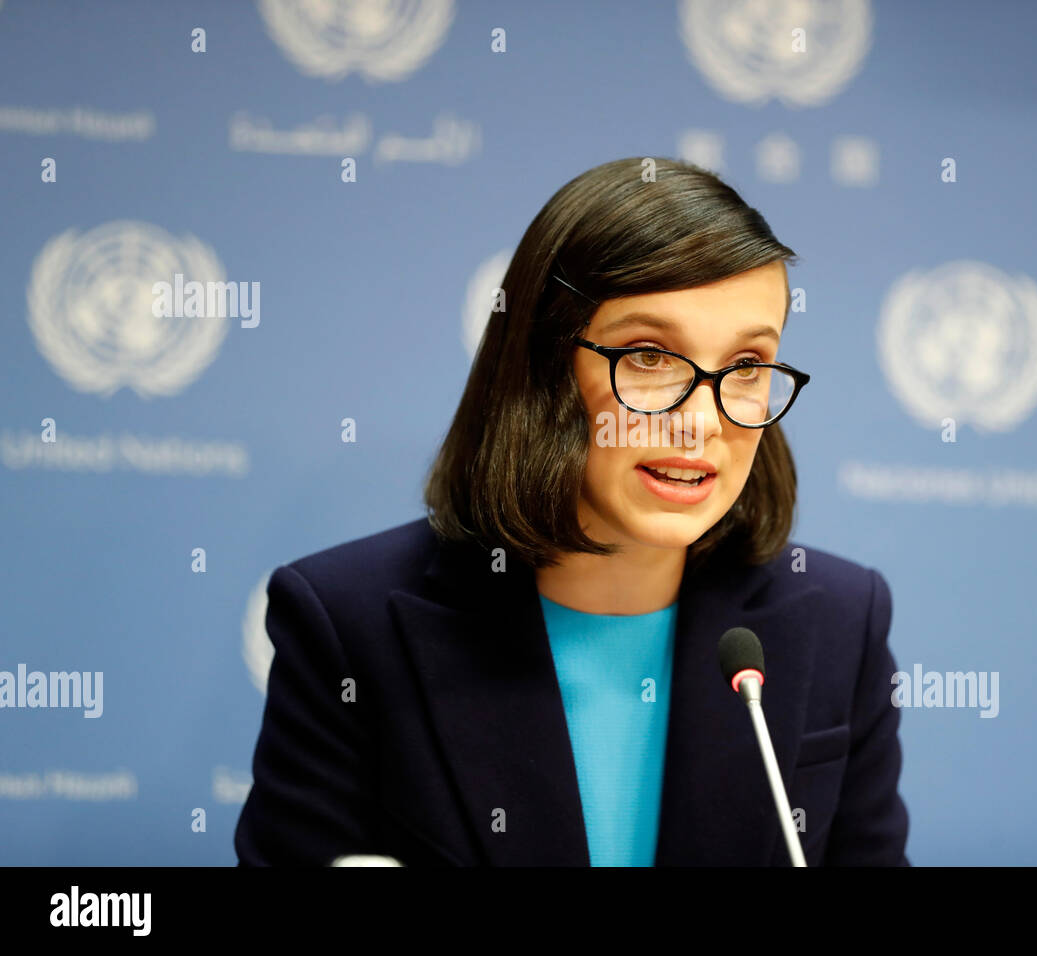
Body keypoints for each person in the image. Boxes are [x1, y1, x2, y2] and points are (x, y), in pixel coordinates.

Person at [234, 156, 909, 866]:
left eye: (745, 367)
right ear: (545, 368)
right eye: (650, 356)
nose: (703, 421)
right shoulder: (347, 624)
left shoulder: (841, 622)